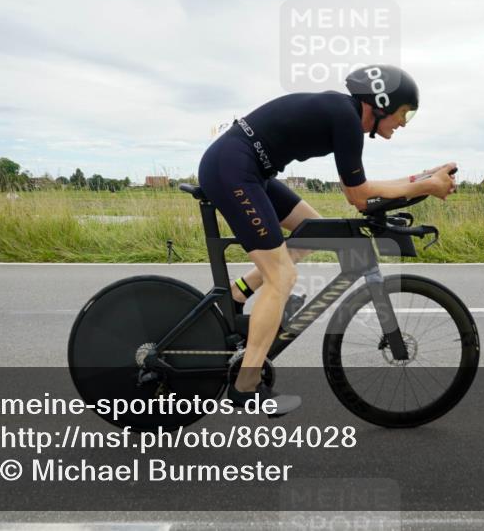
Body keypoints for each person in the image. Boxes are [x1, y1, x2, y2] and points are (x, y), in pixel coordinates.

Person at [196, 65, 457, 416]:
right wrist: (424, 186)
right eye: (403, 114)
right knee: (282, 277)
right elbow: (360, 197)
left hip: (246, 167)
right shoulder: (346, 119)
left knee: (318, 233)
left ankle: (238, 293)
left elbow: (364, 189)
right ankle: (245, 386)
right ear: (379, 104)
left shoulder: (343, 113)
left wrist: (422, 177)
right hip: (234, 169)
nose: (403, 123)